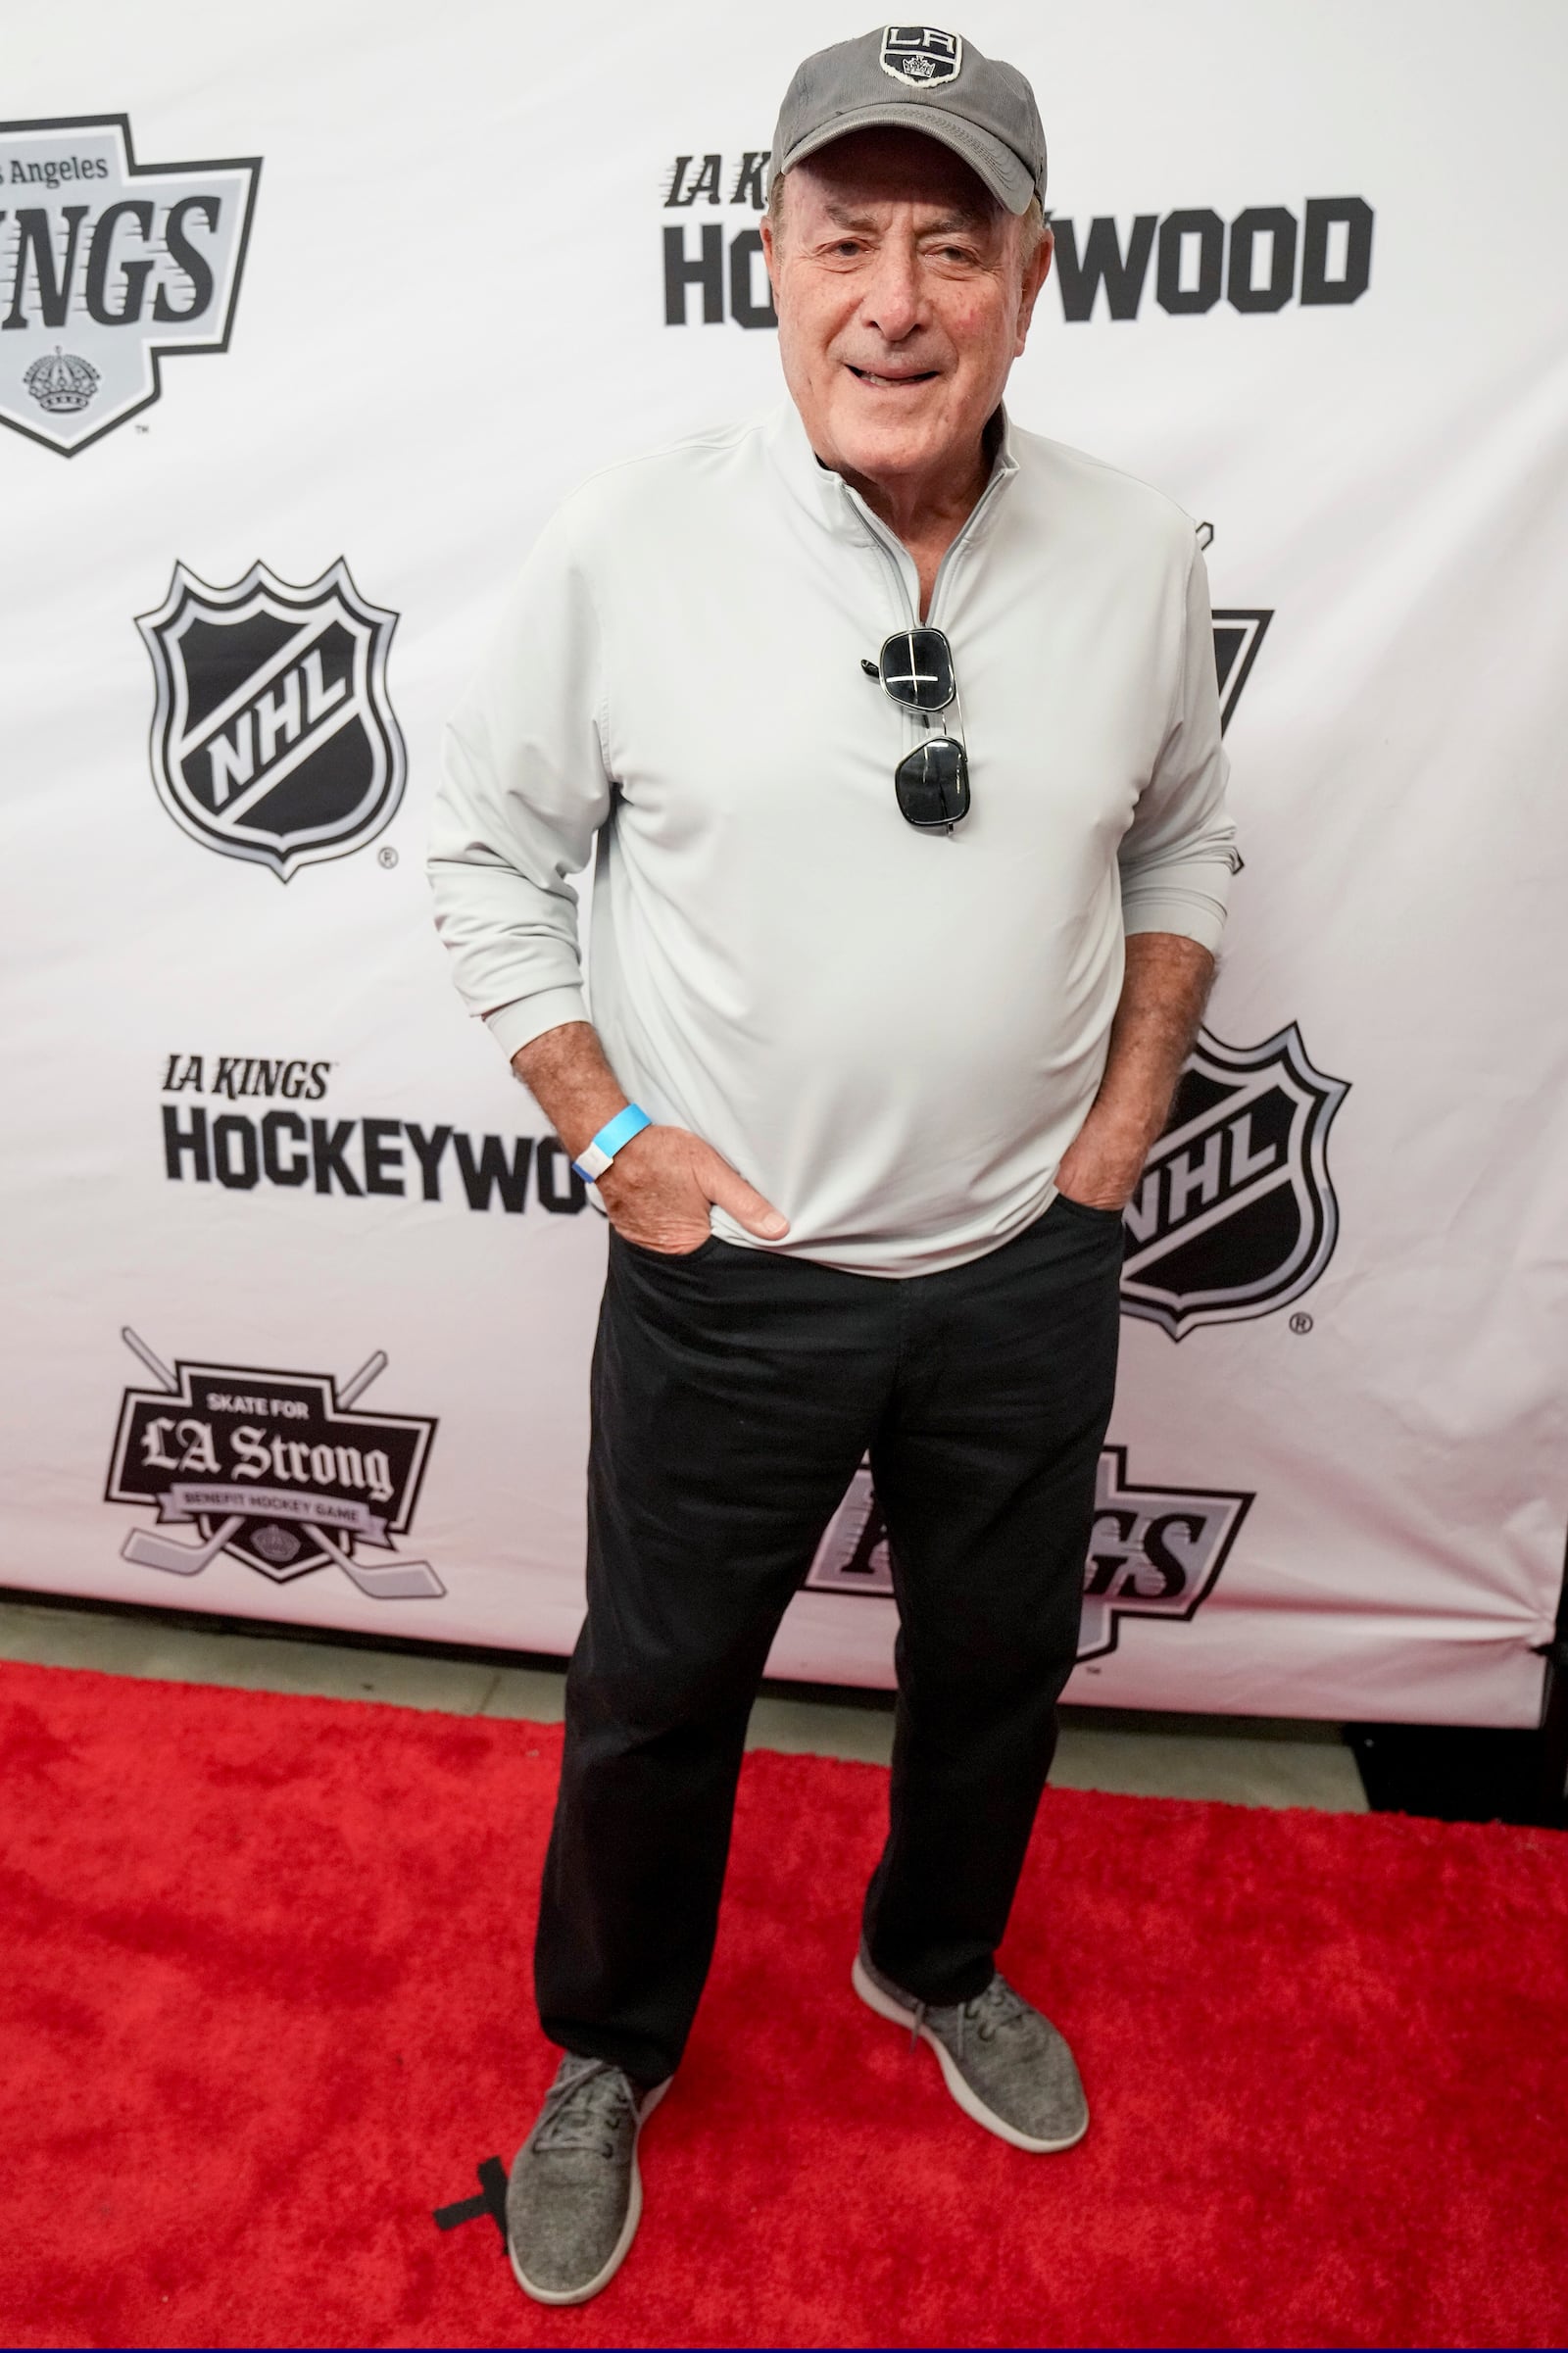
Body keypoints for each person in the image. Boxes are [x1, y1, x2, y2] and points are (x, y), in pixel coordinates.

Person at [427, 22, 1234, 2308]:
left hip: (1023, 1260)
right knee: (660, 1687)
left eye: (948, 244)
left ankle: (933, 1954)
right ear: (762, 263)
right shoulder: (630, 536)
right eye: (841, 236)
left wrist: (1123, 1117)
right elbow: (484, 853)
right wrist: (619, 1137)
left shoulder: (1132, 547)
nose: (891, 297)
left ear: (1032, 276)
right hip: (735, 1272)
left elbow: (1180, 823)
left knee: (993, 1666)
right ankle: (605, 2054)